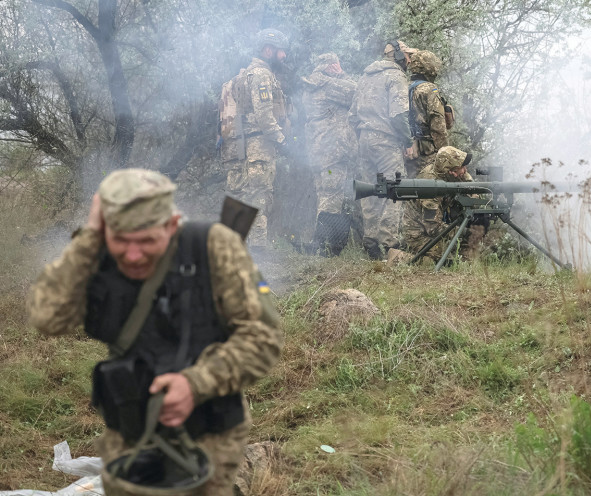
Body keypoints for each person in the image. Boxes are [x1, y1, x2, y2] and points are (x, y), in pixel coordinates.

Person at [27, 169, 282, 494]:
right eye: (121, 241)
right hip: (127, 431)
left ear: (172, 225)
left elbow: (264, 337)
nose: (133, 255)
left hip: (209, 436)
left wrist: (195, 384)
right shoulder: (96, 251)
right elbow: (46, 317)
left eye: (147, 241)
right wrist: (89, 238)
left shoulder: (213, 247)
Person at [218, 28, 292, 252]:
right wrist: (282, 140)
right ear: (268, 50)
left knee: (239, 197)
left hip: (240, 146)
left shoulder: (242, 76)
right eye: (281, 51)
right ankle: (258, 252)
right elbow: (264, 116)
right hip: (258, 147)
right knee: (259, 196)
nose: (284, 56)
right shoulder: (261, 74)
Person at [349, 40, 418, 260]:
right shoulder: (396, 76)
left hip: (364, 139)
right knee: (395, 188)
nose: (409, 60)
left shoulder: (365, 76)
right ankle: (389, 244)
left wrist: (363, 134)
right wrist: (408, 141)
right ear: (397, 55)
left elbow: (352, 115)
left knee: (371, 189)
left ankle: (370, 241)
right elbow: (398, 115)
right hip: (386, 141)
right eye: (407, 55)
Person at [301, 52, 360, 256]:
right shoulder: (329, 85)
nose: (340, 68)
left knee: (324, 194)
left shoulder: (311, 86)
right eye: (337, 65)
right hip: (333, 151)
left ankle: (319, 244)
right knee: (332, 196)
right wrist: (342, 75)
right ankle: (323, 246)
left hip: (318, 151)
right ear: (331, 66)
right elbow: (357, 92)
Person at [402, 146, 482, 262]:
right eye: (461, 167)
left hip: (435, 225)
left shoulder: (452, 173)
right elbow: (433, 228)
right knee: (449, 258)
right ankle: (401, 257)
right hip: (418, 233)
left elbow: (470, 185)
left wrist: (473, 198)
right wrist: (464, 232)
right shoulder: (429, 186)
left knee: (461, 248)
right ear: (451, 171)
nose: (465, 170)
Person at [403, 50, 452, 177]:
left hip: (408, 151)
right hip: (427, 153)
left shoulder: (404, 86)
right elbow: (438, 126)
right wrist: (446, 154)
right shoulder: (429, 89)